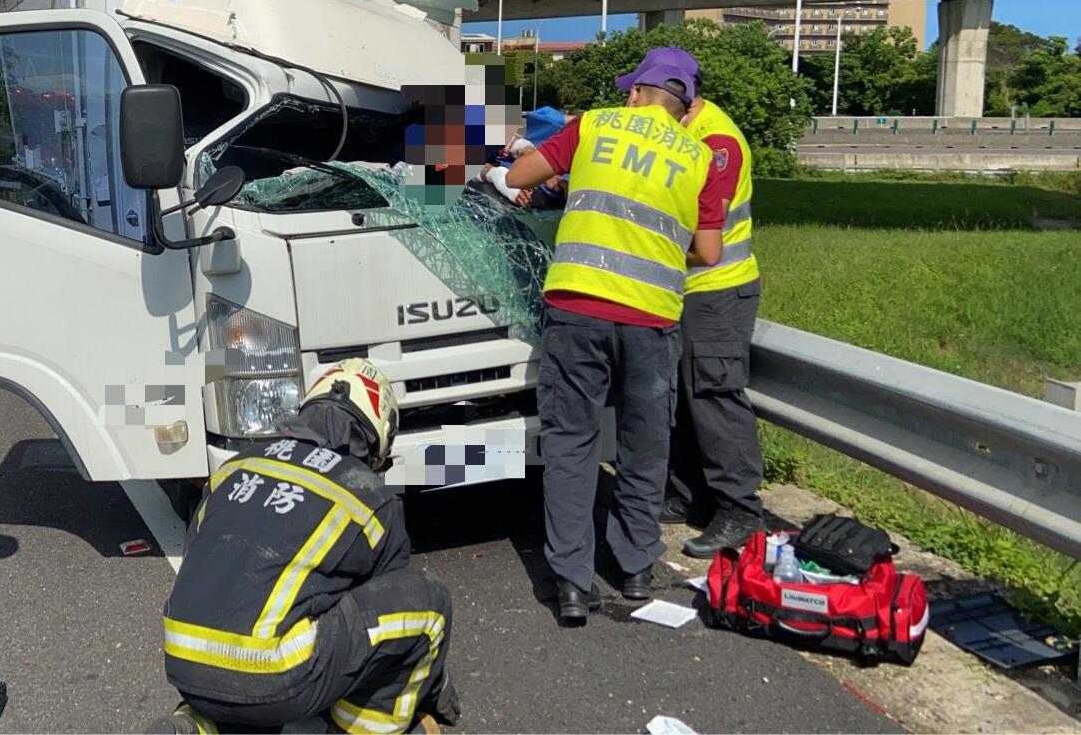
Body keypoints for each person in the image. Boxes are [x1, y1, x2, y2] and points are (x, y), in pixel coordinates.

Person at [500, 47, 732, 625]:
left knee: (571, 444)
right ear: (685, 106)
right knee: (644, 444)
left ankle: (573, 585)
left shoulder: (595, 124)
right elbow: (708, 251)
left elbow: (518, 176)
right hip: (652, 319)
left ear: (635, 93)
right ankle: (633, 567)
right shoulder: (700, 157)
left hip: (577, 309)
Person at [155, 359, 460, 735]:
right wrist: (433, 688)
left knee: (252, 645)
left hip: (183, 658)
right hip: (273, 673)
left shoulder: (235, 468)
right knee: (427, 603)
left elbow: (204, 564)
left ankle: (199, 724)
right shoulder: (368, 494)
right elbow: (386, 629)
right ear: (374, 440)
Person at [661, 51, 765, 559]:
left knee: (714, 397)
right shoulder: (683, 135)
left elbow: (708, 229)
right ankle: (689, 496)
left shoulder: (716, 142)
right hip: (686, 289)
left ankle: (740, 510)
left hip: (717, 289)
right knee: (682, 398)